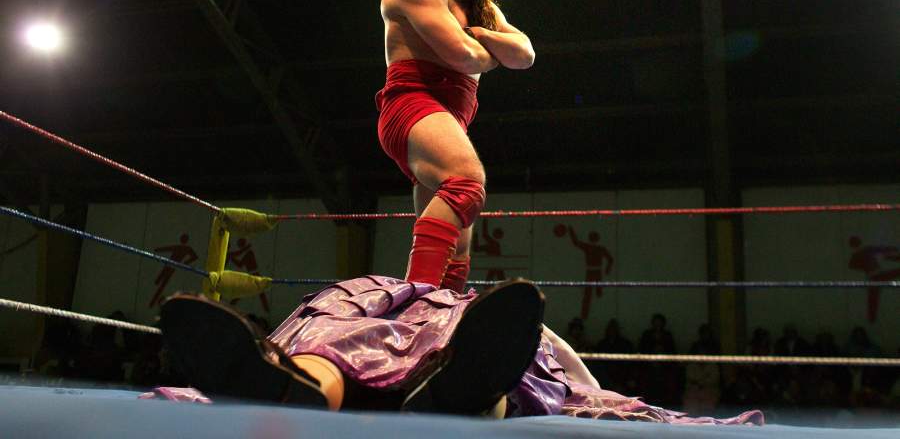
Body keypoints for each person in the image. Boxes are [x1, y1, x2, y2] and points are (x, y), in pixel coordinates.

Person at [152, 276, 763, 425]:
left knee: (499, 363)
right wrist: (592, 392)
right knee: (334, 331)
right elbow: (572, 375)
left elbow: (563, 367)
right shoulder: (376, 289)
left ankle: (301, 387)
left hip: (448, 349)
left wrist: (595, 393)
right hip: (390, 340)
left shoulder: (482, 312)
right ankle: (295, 386)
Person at [376, 0, 535, 292]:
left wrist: (482, 35)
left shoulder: (479, 8)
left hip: (448, 123)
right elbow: (462, 57)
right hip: (412, 105)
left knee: (457, 249)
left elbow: (526, 54)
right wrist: (491, 52)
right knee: (467, 181)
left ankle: (439, 310)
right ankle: (416, 304)